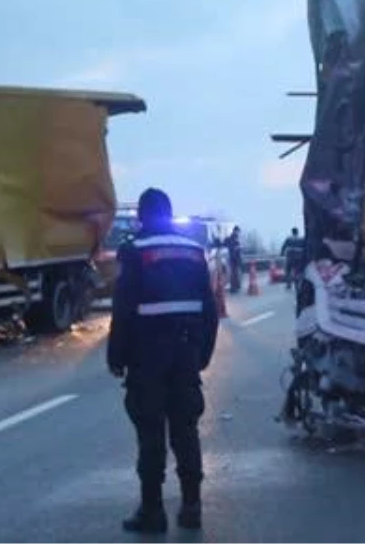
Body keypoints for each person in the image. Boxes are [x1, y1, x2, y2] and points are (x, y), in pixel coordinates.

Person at [107, 188, 219, 533]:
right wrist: (203, 353)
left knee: (151, 433)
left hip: (147, 357)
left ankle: (153, 512)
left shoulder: (134, 250)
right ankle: (191, 506)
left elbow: (123, 309)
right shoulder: (193, 251)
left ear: (142, 215)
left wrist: (117, 356)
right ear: (170, 214)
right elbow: (210, 309)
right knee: (186, 430)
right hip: (185, 353)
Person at [225, 227, 243, 293]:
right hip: (234, 258)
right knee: (234, 273)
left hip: (235, 258)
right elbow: (232, 248)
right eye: (238, 231)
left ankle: (236, 286)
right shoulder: (233, 238)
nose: (238, 233)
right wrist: (237, 248)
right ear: (235, 231)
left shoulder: (235, 238)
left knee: (235, 273)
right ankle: (233, 288)